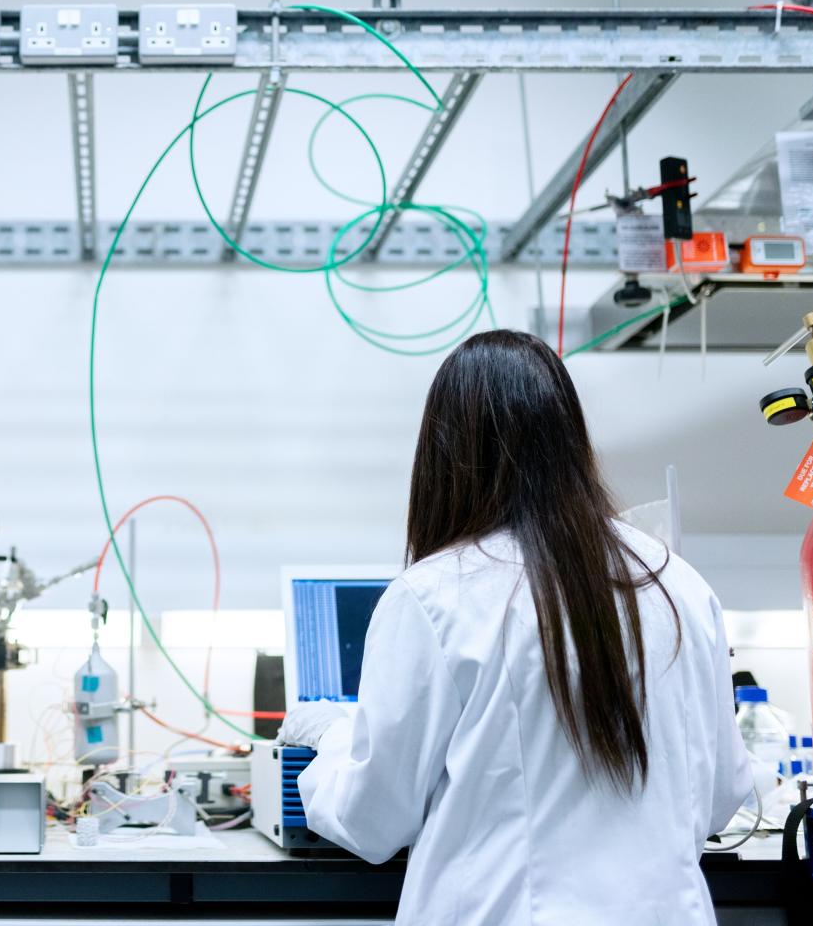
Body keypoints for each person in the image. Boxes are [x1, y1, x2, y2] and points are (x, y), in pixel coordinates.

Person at [278, 330, 752, 926]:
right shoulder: (675, 582)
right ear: (572, 439)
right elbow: (718, 799)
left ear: (446, 456)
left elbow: (374, 818)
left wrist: (329, 739)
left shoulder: (435, 595)